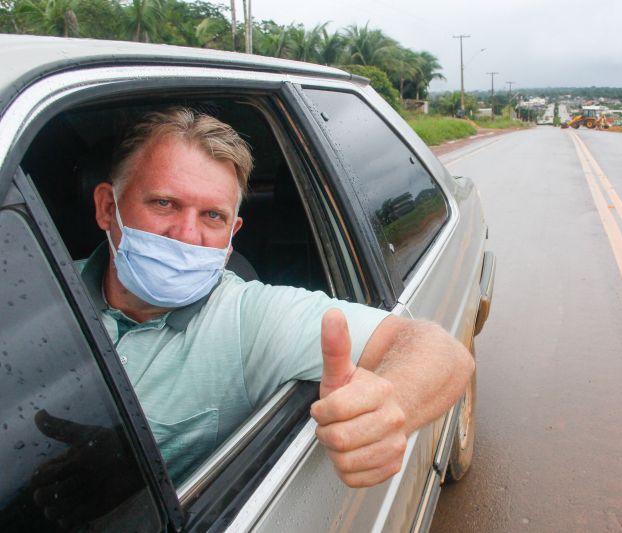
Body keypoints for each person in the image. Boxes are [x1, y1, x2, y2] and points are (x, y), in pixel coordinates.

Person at [75, 107, 474, 489]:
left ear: (233, 234)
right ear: (108, 207)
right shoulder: (32, 289)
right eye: (164, 203)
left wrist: (391, 410)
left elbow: (442, 353)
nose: (186, 235)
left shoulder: (248, 318)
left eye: (213, 216)